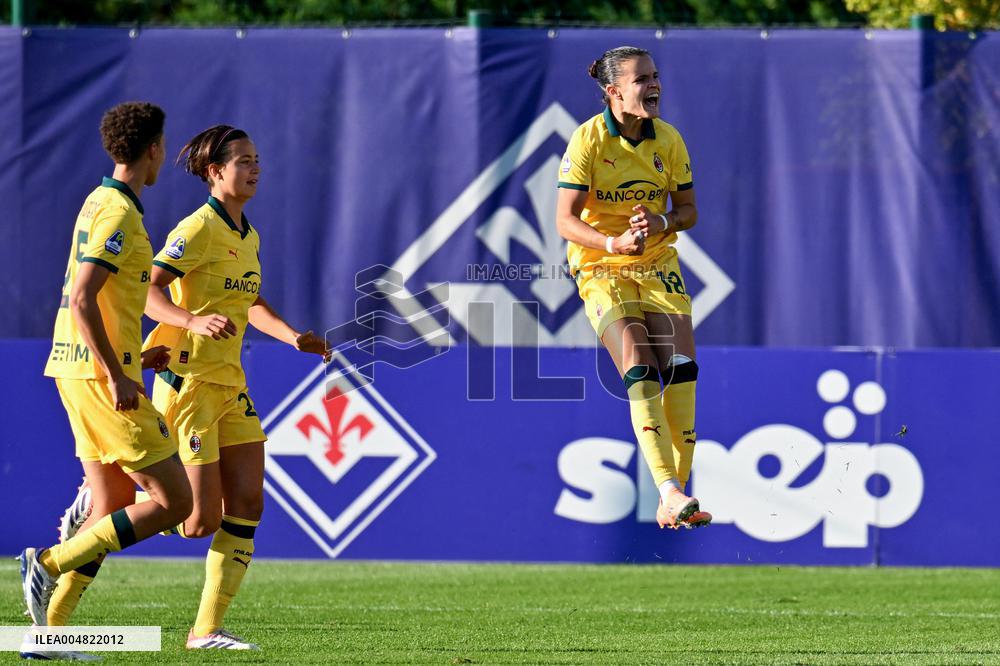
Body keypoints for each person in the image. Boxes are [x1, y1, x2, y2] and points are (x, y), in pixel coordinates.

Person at [140, 124, 329, 650]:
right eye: (243, 160)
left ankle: (205, 631)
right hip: (191, 382)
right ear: (214, 171)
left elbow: (249, 302)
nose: (255, 168)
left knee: (248, 502)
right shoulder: (197, 229)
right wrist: (191, 320)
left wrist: (294, 337)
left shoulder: (248, 234)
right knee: (196, 522)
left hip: (231, 384)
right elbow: (148, 292)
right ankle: (127, 500)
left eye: (257, 159)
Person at [21, 102, 193, 650]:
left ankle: (50, 632)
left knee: (111, 502)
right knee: (175, 502)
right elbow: (82, 297)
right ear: (154, 150)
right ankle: (48, 561)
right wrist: (116, 375)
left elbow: (105, 302)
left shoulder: (99, 201)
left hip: (76, 369)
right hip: (98, 380)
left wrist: (131, 360)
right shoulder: (119, 212)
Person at [555, 46, 711, 530]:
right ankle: (669, 489)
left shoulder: (668, 140)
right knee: (641, 366)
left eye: (655, 76)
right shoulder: (588, 140)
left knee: (681, 368)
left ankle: (675, 498)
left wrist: (663, 219)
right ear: (614, 91)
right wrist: (612, 241)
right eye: (642, 79)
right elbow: (563, 221)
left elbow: (689, 211)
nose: (654, 85)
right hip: (602, 266)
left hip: (658, 263)